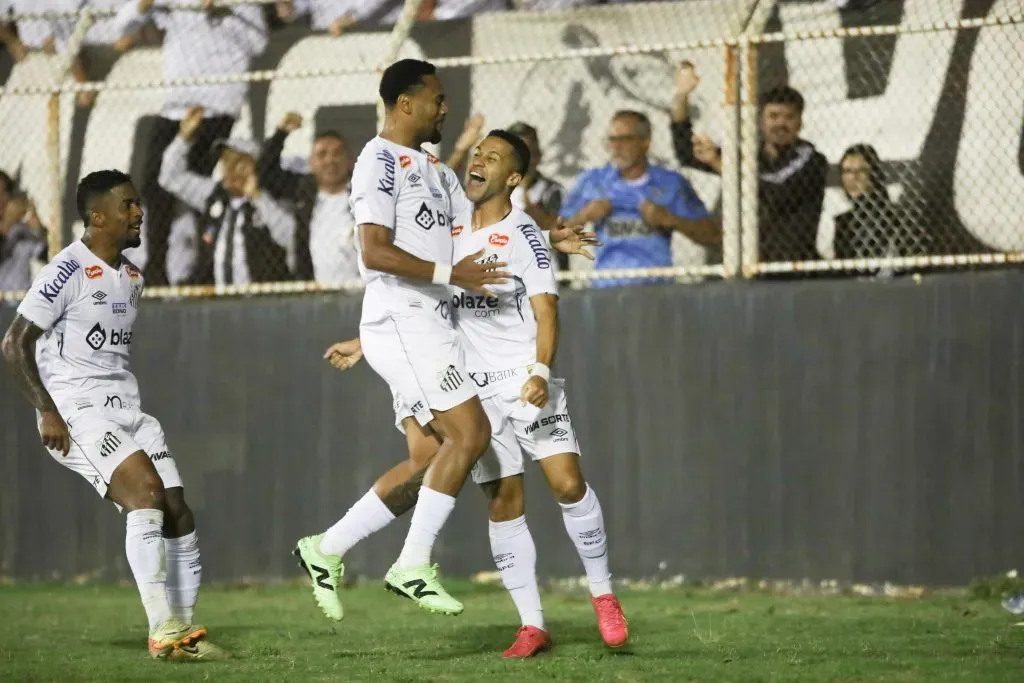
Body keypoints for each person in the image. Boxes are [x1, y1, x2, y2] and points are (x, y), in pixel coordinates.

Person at [292, 60, 596, 622]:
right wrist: (444, 281)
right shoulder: (377, 161)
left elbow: (477, 235)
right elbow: (374, 252)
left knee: (432, 458)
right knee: (472, 433)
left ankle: (326, 548)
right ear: (406, 103)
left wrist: (547, 237)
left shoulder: (433, 168)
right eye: (437, 98)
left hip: (426, 325)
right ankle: (410, 564)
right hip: (405, 322)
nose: (445, 108)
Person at [324, 130, 627, 658]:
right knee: (505, 500)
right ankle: (532, 624)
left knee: (567, 483)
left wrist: (538, 368)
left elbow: (546, 310)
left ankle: (603, 594)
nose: (480, 160)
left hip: (524, 381)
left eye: (494, 157)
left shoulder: (526, 234)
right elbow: (421, 297)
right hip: (472, 387)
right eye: (479, 152)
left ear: (513, 178)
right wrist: (366, 341)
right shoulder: (448, 226)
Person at [0, 170, 226, 661]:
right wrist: (47, 411)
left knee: (177, 512)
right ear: (97, 216)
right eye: (127, 205)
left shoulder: (133, 276)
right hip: (78, 414)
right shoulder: (66, 270)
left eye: (138, 203)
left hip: (128, 409)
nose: (138, 212)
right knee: (143, 493)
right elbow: (14, 344)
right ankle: (161, 628)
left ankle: (185, 631)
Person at [562, 110, 719, 286]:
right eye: (612, 139)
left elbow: (712, 236)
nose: (616, 146)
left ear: (646, 143)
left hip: (655, 288)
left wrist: (671, 220)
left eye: (625, 139)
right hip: (606, 287)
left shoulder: (670, 183)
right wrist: (584, 216)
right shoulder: (592, 181)